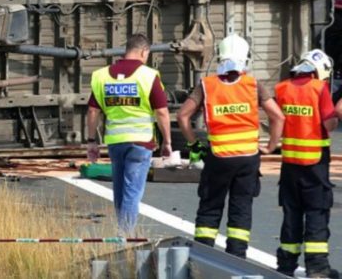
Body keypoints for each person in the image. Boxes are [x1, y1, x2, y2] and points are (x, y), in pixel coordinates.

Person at [176, 34, 284, 259]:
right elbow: (278, 117)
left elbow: (183, 116)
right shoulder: (254, 85)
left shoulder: (207, 86)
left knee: (210, 206)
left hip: (218, 157)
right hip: (247, 158)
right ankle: (237, 258)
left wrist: (194, 143)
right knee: (241, 208)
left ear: (220, 57)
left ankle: (203, 255)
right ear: (245, 59)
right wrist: (271, 146)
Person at [86, 34, 173, 235]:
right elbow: (161, 112)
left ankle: (121, 229)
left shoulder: (101, 76)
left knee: (120, 190)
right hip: (141, 143)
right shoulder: (149, 76)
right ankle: (124, 235)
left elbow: (92, 111)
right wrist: (167, 141)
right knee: (132, 191)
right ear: (144, 52)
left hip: (115, 142)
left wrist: (92, 142)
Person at [275, 49, 338, 277]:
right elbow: (330, 124)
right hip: (315, 164)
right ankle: (318, 268)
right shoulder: (319, 88)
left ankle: (285, 265)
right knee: (316, 212)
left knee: (291, 213)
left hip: (289, 163)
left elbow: (275, 119)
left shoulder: (282, 88)